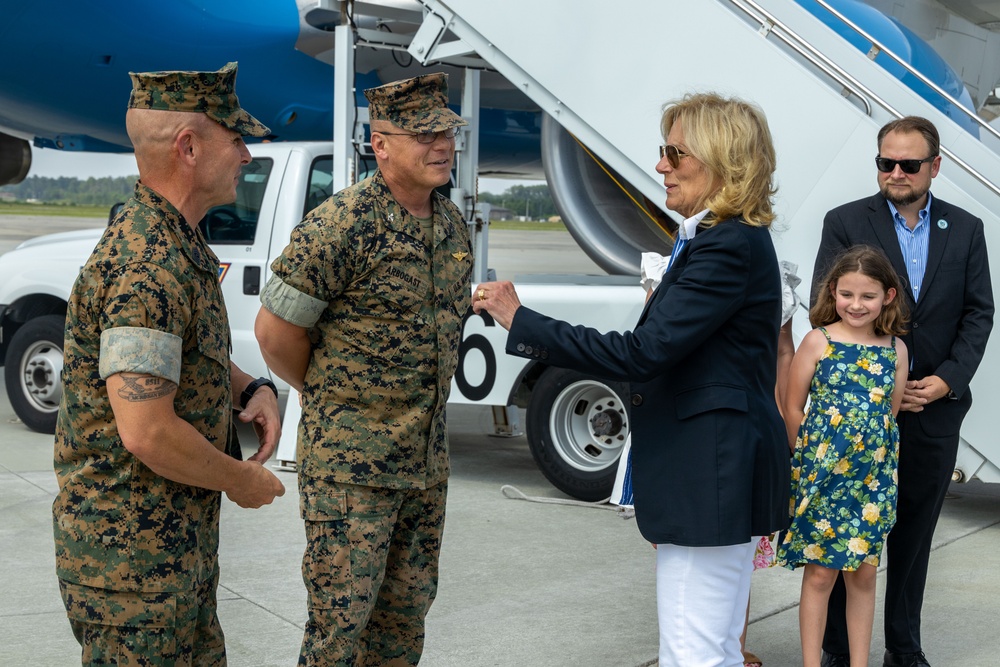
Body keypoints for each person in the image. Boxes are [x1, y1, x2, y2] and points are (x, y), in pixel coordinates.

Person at [474, 92, 790, 667]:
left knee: (694, 654)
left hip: (710, 474)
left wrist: (520, 320)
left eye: (675, 152)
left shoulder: (725, 246)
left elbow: (644, 353)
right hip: (708, 474)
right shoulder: (716, 238)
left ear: (723, 161)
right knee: (708, 646)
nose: (661, 164)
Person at [53, 62, 287, 665]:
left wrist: (249, 384)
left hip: (170, 559)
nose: (246, 154)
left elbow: (178, 352)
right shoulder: (147, 265)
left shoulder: (174, 242)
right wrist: (243, 481)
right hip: (132, 573)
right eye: (236, 139)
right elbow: (146, 430)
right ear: (188, 147)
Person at [254, 72, 473, 666]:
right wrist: (333, 398)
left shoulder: (450, 225)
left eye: (447, 132)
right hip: (353, 471)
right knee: (339, 629)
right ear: (380, 145)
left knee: (404, 622)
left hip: (424, 467)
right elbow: (275, 334)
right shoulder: (340, 226)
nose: (443, 145)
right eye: (425, 134)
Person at [813, 117, 994, 667]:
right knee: (850, 535)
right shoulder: (845, 222)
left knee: (913, 538)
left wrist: (946, 380)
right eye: (885, 162)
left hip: (933, 411)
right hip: (861, 413)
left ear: (934, 167)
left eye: (908, 164)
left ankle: (903, 648)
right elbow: (830, 309)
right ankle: (841, 651)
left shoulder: (965, 229)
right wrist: (881, 380)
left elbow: (978, 314)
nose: (894, 172)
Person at [777, 245, 909, 667]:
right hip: (823, 480)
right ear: (833, 292)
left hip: (870, 482)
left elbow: (888, 415)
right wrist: (812, 461)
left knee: (864, 575)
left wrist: (866, 462)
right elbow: (793, 408)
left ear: (887, 297)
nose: (856, 305)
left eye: (868, 296)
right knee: (820, 574)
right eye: (847, 294)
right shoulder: (819, 341)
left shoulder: (896, 350)